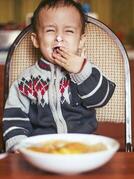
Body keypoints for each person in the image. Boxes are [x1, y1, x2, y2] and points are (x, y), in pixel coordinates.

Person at [3, 0, 115, 152]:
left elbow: (100, 99)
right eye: (50, 30)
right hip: (43, 150)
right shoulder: (25, 81)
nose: (59, 38)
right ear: (36, 40)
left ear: (81, 41)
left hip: (83, 147)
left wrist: (80, 71)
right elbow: (15, 119)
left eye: (68, 31)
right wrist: (18, 145)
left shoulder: (87, 71)